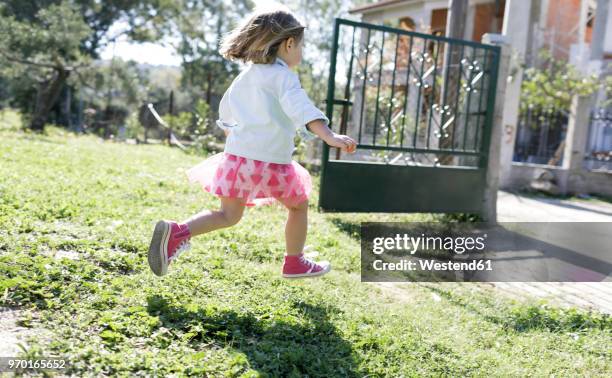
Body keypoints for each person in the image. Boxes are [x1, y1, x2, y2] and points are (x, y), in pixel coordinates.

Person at [147, 5, 357, 279]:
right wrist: (330, 136)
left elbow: (227, 113)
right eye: (301, 47)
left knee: (227, 216)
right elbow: (302, 109)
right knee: (298, 206)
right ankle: (294, 261)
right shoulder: (283, 77)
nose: (301, 53)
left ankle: (177, 232)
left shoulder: (246, 75)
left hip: (238, 160)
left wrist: (236, 141)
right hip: (272, 162)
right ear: (289, 43)